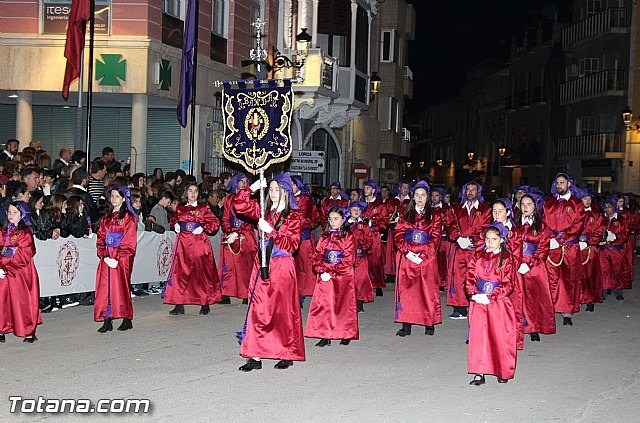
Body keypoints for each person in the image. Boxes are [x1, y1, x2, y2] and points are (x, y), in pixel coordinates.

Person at [233, 172, 305, 371]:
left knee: (281, 311)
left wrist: (271, 231)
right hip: (262, 263)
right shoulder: (264, 210)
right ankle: (254, 355)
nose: (273, 193)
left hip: (282, 265)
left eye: (277, 189)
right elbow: (238, 205)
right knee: (257, 308)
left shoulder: (293, 216)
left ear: (286, 192)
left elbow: (291, 245)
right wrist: (254, 187)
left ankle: (286, 352)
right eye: (270, 189)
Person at [466, 223, 517, 385]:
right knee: (479, 336)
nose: (490, 243)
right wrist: (474, 293)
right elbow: (469, 277)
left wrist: (492, 296)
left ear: (501, 240)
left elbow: (508, 283)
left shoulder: (507, 259)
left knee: (499, 336)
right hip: (479, 301)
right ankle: (479, 372)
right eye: (487, 239)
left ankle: (501, 369)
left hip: (497, 303)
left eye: (494, 239)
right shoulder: (478, 256)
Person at [393, 181, 442, 337]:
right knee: (406, 291)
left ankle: (429, 322)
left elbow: (435, 238)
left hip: (426, 257)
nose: (420, 198)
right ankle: (406, 324)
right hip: (407, 256)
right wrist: (407, 252)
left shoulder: (435, 215)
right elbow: (398, 234)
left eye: (423, 195)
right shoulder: (405, 214)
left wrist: (422, 254)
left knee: (427, 291)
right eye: (417, 195)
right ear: (413, 197)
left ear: (427, 197)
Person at [164, 183, 221, 315]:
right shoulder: (180, 208)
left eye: (195, 191)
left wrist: (203, 227)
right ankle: (179, 303)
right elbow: (174, 219)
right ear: (186, 193)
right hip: (183, 244)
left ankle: (204, 302)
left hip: (198, 243)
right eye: (190, 191)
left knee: (201, 272)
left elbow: (214, 222)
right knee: (180, 273)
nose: (193, 193)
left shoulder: (203, 208)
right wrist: (176, 224)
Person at [305, 205, 358, 347]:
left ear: (343, 219)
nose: (333, 221)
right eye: (330, 219)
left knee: (343, 305)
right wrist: (321, 270)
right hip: (325, 273)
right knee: (324, 304)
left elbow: (349, 259)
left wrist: (333, 272)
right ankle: (325, 334)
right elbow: (317, 255)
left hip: (342, 275)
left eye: (336, 219)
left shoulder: (348, 236)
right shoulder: (324, 235)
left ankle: (345, 333)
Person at [512, 192, 556, 342]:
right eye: (522, 204)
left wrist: (529, 264)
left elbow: (543, 249)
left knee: (534, 298)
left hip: (534, 266)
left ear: (535, 206)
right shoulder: (514, 223)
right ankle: (517, 325)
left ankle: (534, 328)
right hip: (516, 265)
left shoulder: (542, 226)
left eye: (529, 204)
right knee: (517, 297)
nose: (525, 207)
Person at [543, 173, 586, 326]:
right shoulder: (549, 203)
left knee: (568, 278)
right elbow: (544, 222)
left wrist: (561, 238)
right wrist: (550, 238)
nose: (559, 184)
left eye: (562, 182)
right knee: (551, 278)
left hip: (569, 247)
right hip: (552, 246)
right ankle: (551, 307)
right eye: (557, 182)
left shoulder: (577, 203)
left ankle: (567, 311)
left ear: (569, 184)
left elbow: (579, 224)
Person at [94, 185, 138, 332]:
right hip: (107, 255)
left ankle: (126, 317)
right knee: (105, 287)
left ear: (124, 198)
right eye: (112, 196)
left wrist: (118, 257)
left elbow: (129, 240)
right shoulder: (106, 218)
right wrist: (103, 254)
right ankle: (107, 318)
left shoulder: (128, 218)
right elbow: (100, 237)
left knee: (121, 286)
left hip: (121, 257)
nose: (114, 199)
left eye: (117, 196)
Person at [447, 181, 492, 319]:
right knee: (458, 277)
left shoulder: (486, 209)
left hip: (476, 249)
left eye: (473, 189)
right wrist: (458, 237)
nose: (470, 192)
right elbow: (450, 224)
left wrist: (472, 239)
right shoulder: (456, 209)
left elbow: (485, 227)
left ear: (478, 192)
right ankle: (460, 308)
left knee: (475, 277)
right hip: (460, 249)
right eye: (468, 189)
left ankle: (476, 306)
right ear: (464, 192)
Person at [0, 201, 41, 343]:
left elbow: (24, 255)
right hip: (3, 271)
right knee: (2, 300)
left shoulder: (25, 233)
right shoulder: (3, 231)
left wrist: (7, 268)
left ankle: (28, 331)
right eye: (9, 212)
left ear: (22, 214)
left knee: (22, 301)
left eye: (15, 212)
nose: (11, 215)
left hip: (20, 272)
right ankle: (2, 328)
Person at [219, 174, 257, 304]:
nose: (244, 184)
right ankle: (226, 293)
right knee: (228, 265)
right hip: (231, 234)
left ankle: (247, 294)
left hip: (245, 235)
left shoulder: (251, 199)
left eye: (246, 182)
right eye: (241, 181)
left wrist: (239, 232)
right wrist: (229, 231)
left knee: (246, 265)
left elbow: (250, 218)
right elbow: (225, 218)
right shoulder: (229, 199)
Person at [292, 175, 322, 306]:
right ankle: (293, 292)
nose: (290, 187)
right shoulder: (286, 196)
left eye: (292, 184)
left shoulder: (305, 198)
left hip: (302, 237)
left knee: (304, 267)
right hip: (289, 236)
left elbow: (301, 217)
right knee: (292, 267)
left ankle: (301, 294)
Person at [578, 190, 605, 312]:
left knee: (590, 275)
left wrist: (588, 242)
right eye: (585, 199)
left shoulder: (597, 215)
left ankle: (590, 300)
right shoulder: (574, 214)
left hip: (590, 250)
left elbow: (599, 232)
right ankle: (576, 299)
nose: (587, 201)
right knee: (576, 276)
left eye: (589, 199)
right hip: (575, 249)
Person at [361, 180, 388, 297]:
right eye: (364, 188)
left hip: (374, 235)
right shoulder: (360, 204)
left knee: (375, 261)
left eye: (367, 188)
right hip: (361, 235)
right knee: (362, 260)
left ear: (373, 190)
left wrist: (372, 223)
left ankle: (377, 284)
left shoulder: (380, 205)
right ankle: (363, 284)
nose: (365, 190)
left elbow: (385, 222)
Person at [600, 198, 628, 301]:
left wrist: (614, 239)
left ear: (614, 208)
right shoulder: (602, 220)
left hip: (616, 250)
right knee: (603, 271)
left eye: (609, 207)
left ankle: (618, 291)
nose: (607, 209)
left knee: (617, 270)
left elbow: (625, 235)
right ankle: (603, 290)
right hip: (603, 250)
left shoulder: (621, 220)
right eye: (606, 207)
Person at [347, 201, 373, 312]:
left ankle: (359, 302)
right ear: (349, 211)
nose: (356, 211)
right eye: (354, 209)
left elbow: (369, 239)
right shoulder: (345, 224)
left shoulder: (364, 225)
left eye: (358, 209)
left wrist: (362, 248)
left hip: (360, 257)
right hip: (347, 257)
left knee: (361, 279)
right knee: (348, 280)